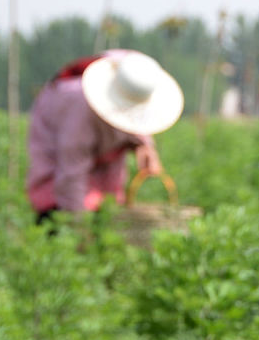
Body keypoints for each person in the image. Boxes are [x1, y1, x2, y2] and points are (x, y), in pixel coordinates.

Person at [26, 50, 182, 222]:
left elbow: (135, 116)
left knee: (107, 213)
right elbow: (71, 175)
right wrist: (78, 227)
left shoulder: (135, 76)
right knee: (61, 216)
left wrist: (144, 144)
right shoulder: (78, 109)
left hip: (102, 172)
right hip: (60, 177)